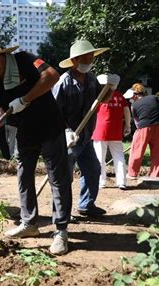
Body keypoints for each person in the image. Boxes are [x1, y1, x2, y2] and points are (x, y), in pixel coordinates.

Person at [0, 38, 72, 255]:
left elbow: (52, 76)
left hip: (50, 126)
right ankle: (29, 224)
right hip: (25, 132)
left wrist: (26, 99)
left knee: (58, 178)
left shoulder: (24, 60)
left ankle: (61, 231)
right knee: (24, 175)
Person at [52, 40, 119, 218]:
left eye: (91, 58)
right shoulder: (63, 83)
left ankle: (86, 205)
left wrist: (111, 87)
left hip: (86, 135)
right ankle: (62, 213)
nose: (89, 61)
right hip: (68, 138)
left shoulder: (91, 78)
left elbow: (102, 99)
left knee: (93, 169)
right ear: (74, 61)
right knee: (63, 177)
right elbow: (54, 113)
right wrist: (65, 131)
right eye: (85, 58)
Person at [92, 90, 131, 189]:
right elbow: (126, 110)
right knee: (119, 156)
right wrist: (127, 125)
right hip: (116, 129)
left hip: (100, 129)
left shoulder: (99, 94)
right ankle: (122, 182)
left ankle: (101, 181)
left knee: (99, 156)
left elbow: (91, 110)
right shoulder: (119, 95)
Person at [124, 83, 159, 178]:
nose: (130, 100)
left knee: (137, 150)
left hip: (143, 127)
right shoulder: (154, 98)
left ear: (135, 94)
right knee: (158, 152)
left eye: (131, 98)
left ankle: (132, 173)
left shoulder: (134, 106)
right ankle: (154, 174)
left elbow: (137, 123)